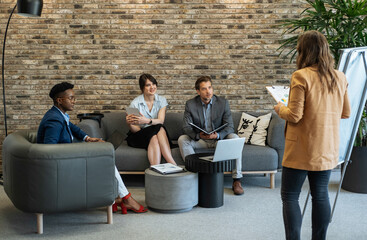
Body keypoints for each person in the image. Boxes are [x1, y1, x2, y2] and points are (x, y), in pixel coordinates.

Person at [274, 31, 350, 240]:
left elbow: (294, 116)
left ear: (304, 52)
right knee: (320, 195)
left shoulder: (301, 76)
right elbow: (346, 112)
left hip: (300, 148)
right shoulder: (340, 76)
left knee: (290, 196)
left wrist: (280, 107)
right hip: (326, 147)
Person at [37, 82, 147, 214]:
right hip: (63, 165)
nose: (74, 101)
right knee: (106, 159)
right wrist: (78, 151)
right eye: (71, 98)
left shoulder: (59, 115)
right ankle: (125, 199)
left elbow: (73, 128)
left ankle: (116, 199)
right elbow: (50, 150)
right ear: (59, 100)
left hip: (68, 158)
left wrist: (88, 139)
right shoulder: (54, 120)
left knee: (105, 156)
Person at [178, 76, 244, 195]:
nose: (208, 91)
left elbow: (229, 127)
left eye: (210, 87)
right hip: (201, 139)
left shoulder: (223, 103)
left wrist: (218, 135)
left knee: (235, 138)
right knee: (183, 139)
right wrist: (199, 135)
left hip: (219, 140)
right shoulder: (190, 104)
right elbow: (186, 127)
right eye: (204, 89)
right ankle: (195, 175)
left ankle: (237, 180)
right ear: (198, 91)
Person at [125, 73, 177, 166]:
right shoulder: (135, 103)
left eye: (153, 84)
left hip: (155, 133)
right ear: (142, 88)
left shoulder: (162, 100)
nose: (152, 87)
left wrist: (146, 121)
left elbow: (161, 120)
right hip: (140, 135)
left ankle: (154, 168)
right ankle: (172, 164)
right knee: (157, 129)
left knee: (155, 132)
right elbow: (136, 130)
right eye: (148, 85)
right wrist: (129, 124)